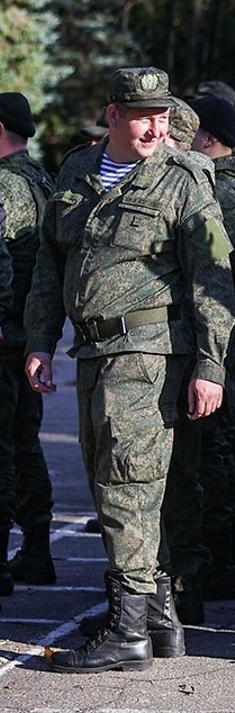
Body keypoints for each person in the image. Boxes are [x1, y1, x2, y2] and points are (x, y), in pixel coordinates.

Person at [26, 66, 235, 673]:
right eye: (142, 115)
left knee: (127, 482)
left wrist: (212, 367)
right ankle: (158, 618)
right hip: (91, 351)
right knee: (116, 481)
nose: (155, 127)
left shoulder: (184, 178)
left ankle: (127, 630)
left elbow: (213, 279)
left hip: (148, 352)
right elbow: (50, 261)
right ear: (113, 114)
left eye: (164, 116)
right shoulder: (77, 170)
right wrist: (40, 340)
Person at [187, 95, 235, 602]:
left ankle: (216, 564)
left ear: (208, 138)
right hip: (223, 336)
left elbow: (217, 268)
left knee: (210, 456)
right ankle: (219, 563)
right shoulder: (234, 187)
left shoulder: (223, 195)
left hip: (217, 339)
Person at [0, 92, 55, 590]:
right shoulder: (39, 179)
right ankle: (37, 548)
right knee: (23, 445)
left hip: (5, 336)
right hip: (29, 335)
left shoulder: (4, 185)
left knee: (4, 448)